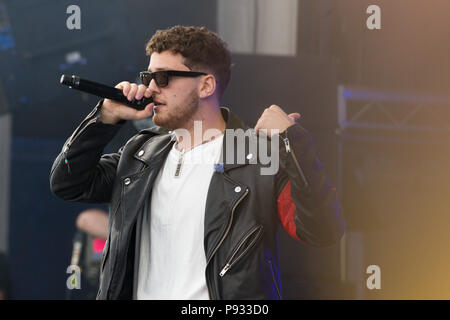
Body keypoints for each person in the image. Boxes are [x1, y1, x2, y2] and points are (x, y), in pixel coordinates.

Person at [50, 25, 344, 300]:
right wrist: (104, 118)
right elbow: (68, 183)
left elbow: (321, 230)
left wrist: (294, 143)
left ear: (205, 86)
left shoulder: (257, 158)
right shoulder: (140, 153)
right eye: (147, 77)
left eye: (163, 78)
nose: (150, 88)